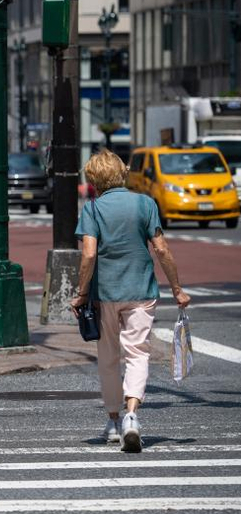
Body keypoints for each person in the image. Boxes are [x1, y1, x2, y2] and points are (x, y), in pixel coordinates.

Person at [70, 149, 191, 453]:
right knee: (138, 354)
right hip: (141, 290)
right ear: (122, 173)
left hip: (105, 294)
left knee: (109, 358)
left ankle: (112, 422)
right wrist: (177, 288)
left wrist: (82, 292)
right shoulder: (145, 203)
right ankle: (132, 417)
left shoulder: (93, 209)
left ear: (94, 180)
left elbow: (88, 254)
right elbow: (162, 249)